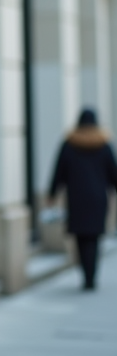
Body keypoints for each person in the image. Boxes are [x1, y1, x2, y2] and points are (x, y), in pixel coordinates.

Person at [48, 108, 117, 290]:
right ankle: (91, 275)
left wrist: (52, 193)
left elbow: (59, 171)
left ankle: (86, 274)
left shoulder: (69, 144)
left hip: (77, 198)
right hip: (97, 199)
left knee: (81, 238)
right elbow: (114, 173)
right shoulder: (104, 145)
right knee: (94, 237)